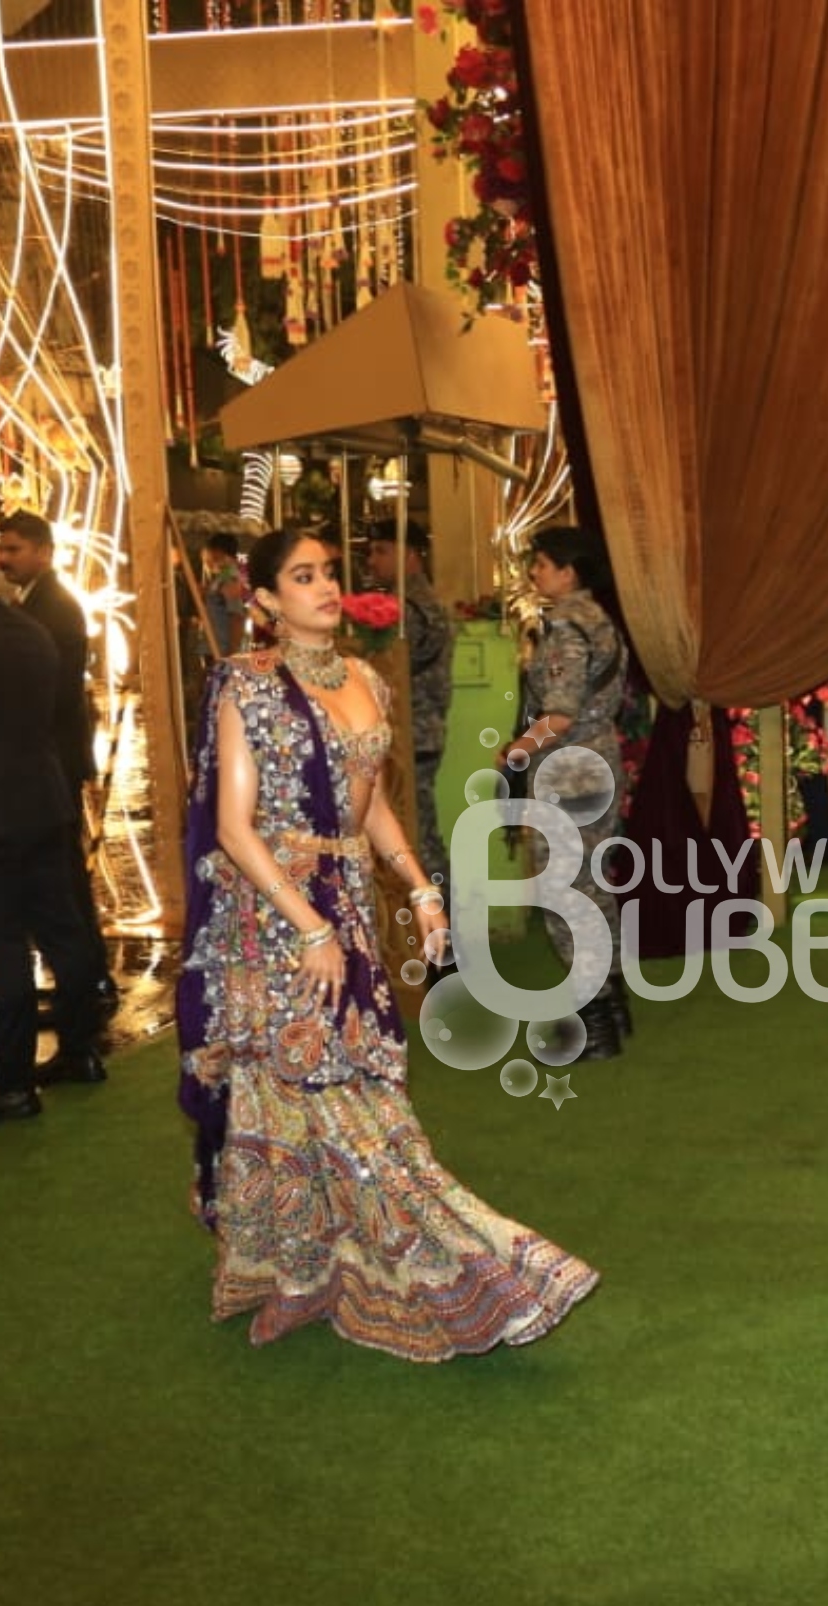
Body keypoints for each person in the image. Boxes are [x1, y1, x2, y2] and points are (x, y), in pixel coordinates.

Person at [177, 527, 598, 1359]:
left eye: (329, 573)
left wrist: (418, 883)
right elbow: (232, 825)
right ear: (264, 600)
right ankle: (337, 1266)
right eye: (303, 577)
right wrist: (310, 928)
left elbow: (368, 805)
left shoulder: (365, 678)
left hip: (346, 902)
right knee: (302, 1089)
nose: (326, 587)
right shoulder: (246, 685)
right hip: (275, 918)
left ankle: (326, 1263)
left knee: (358, 1082)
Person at [0, 530, 105, 1126]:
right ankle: (80, 1051)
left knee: (2, 942)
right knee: (62, 929)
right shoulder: (29, 630)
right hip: (41, 800)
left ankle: (10, 1082)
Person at [504, 526, 630, 1060]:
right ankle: (613, 1003)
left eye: (543, 563)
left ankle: (593, 1017)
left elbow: (558, 714)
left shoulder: (566, 628)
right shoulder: (601, 619)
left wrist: (516, 749)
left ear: (568, 570)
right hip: (599, 760)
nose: (535, 572)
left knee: (564, 895)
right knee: (594, 889)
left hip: (568, 768)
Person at [0, 509, 115, 1017]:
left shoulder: (51, 608)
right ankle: (84, 984)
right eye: (1, 549)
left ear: (44, 551)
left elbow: (51, 698)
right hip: (49, 761)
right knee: (62, 884)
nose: (4, 558)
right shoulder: (37, 602)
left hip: (52, 761)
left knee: (64, 885)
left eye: (14, 549)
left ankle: (87, 987)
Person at [364, 519, 455, 910]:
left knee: (416, 838)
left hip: (411, 734)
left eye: (382, 551)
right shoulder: (415, 604)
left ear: (411, 555)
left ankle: (443, 931)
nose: (373, 560)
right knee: (417, 835)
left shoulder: (410, 612)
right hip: (416, 733)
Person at [201, 531, 247, 656]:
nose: (207, 557)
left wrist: (232, 654)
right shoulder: (223, 576)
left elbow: (237, 617)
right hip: (216, 647)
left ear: (218, 552)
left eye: (208, 552)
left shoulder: (229, 577)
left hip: (220, 650)